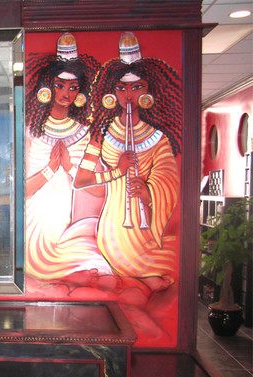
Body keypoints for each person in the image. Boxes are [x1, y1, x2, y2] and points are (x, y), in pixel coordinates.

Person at [74, 31, 181, 291]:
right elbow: (81, 180)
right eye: (121, 88)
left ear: (149, 91)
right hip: (113, 226)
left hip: (144, 227)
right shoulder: (101, 132)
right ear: (112, 92)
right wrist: (117, 171)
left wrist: (147, 191)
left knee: (161, 274)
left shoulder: (158, 137)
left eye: (136, 87)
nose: (128, 95)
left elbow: (168, 183)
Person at [24, 33, 110, 281]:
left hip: (65, 215)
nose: (66, 93)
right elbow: (21, 191)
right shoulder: (30, 130)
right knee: (45, 265)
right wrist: (50, 169)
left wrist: (70, 168)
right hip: (36, 217)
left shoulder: (84, 132)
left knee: (97, 267)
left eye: (73, 88)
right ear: (47, 86)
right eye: (60, 85)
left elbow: (100, 192)